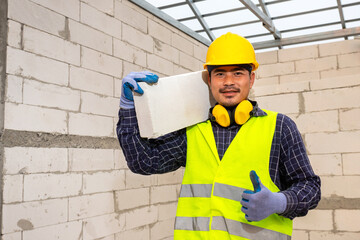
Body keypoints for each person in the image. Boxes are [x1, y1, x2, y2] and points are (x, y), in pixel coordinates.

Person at [117, 32, 321, 240]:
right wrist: (129, 109)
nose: (228, 82)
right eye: (220, 74)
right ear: (209, 80)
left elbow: (310, 187)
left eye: (238, 73)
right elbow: (143, 161)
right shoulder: (194, 130)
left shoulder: (279, 127)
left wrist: (280, 201)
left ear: (251, 79)